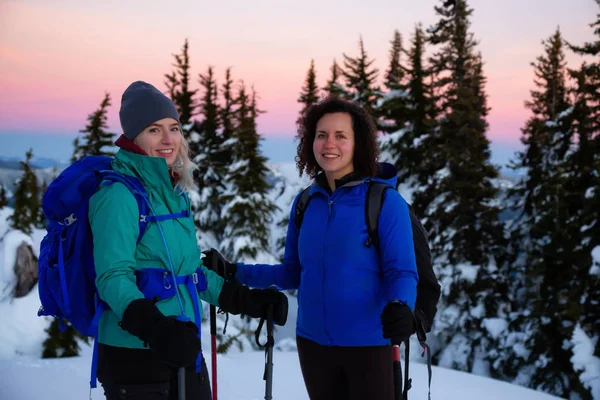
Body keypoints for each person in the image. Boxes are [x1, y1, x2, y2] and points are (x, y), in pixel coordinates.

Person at [203, 97, 419, 400]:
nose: (329, 143)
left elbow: (402, 271)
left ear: (359, 143)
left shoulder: (384, 202)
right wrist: (234, 272)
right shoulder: (306, 203)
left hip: (369, 346)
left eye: (341, 136)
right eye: (322, 135)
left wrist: (402, 306)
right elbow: (292, 272)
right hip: (313, 346)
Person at [88, 81, 288, 400]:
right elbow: (112, 278)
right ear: (133, 136)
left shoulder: (174, 194)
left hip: (182, 349)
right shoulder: (118, 196)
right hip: (137, 359)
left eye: (174, 128)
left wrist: (246, 300)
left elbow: (191, 273)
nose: (168, 140)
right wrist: (156, 328)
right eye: (154, 130)